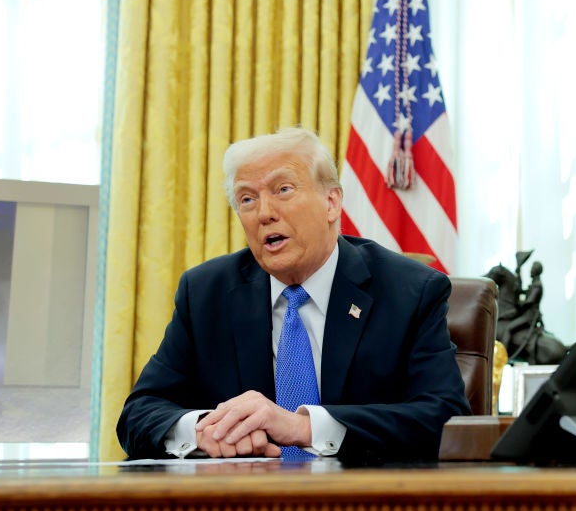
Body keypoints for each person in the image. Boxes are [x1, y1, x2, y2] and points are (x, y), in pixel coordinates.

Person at [117, 126, 470, 463]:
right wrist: (202, 430)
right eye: (247, 199)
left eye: (283, 189)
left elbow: (445, 419)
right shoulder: (206, 293)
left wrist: (304, 427)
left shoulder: (409, 292)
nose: (265, 214)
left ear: (331, 202)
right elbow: (139, 413)